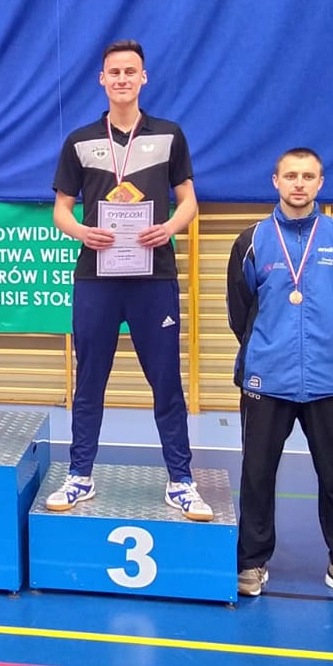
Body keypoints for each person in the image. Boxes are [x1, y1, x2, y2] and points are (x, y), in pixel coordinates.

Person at [43, 40, 211, 520]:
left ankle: (181, 481)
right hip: (96, 277)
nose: (122, 79)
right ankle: (80, 475)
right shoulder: (79, 141)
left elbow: (189, 202)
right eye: (114, 72)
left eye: (130, 71)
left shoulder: (170, 136)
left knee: (166, 381)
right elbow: (61, 211)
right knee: (89, 381)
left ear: (143, 78)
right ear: (102, 79)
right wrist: (82, 232)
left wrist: (169, 228)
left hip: (153, 275)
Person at [226, 148, 333, 603]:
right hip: (266, 379)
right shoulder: (251, 240)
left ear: (320, 183)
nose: (299, 184)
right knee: (257, 475)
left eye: (308, 176)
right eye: (291, 175)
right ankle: (251, 561)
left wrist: (327, 345)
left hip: (329, 380)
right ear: (276, 181)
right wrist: (271, 349)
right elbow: (239, 312)